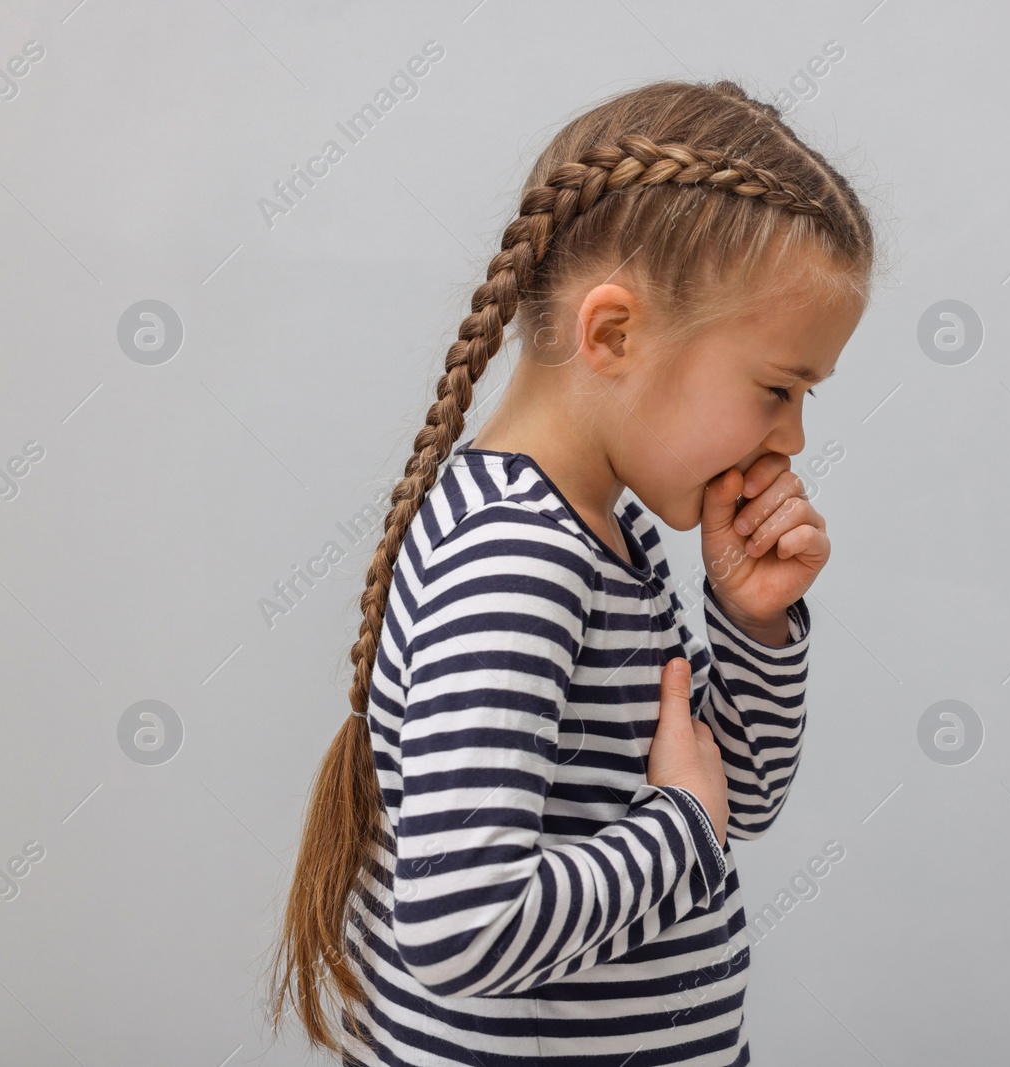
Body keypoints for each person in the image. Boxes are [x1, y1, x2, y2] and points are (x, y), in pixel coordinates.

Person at [264, 77, 878, 1066]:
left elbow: (739, 798)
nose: (794, 435)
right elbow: (463, 929)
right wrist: (681, 822)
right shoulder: (516, 556)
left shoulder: (608, 529)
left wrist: (751, 623)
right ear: (612, 335)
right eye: (777, 387)